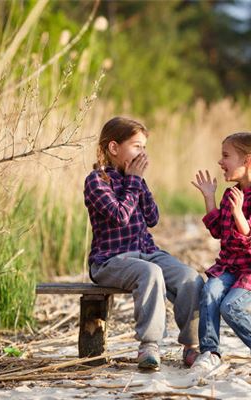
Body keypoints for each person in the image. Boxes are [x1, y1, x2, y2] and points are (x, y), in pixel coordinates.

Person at [84, 116, 203, 371]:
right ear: (114, 148)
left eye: (144, 148)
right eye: (137, 146)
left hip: (147, 252)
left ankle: (192, 345)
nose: (142, 153)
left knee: (189, 278)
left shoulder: (136, 180)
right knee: (150, 273)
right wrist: (134, 181)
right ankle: (149, 345)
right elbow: (119, 216)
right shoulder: (96, 180)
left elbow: (153, 218)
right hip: (110, 260)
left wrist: (138, 182)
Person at [190, 131, 251, 372]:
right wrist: (210, 198)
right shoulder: (230, 193)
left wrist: (238, 213)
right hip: (230, 266)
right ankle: (210, 351)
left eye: (226, 156)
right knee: (210, 291)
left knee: (230, 307)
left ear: (248, 161)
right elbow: (217, 231)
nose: (220, 162)